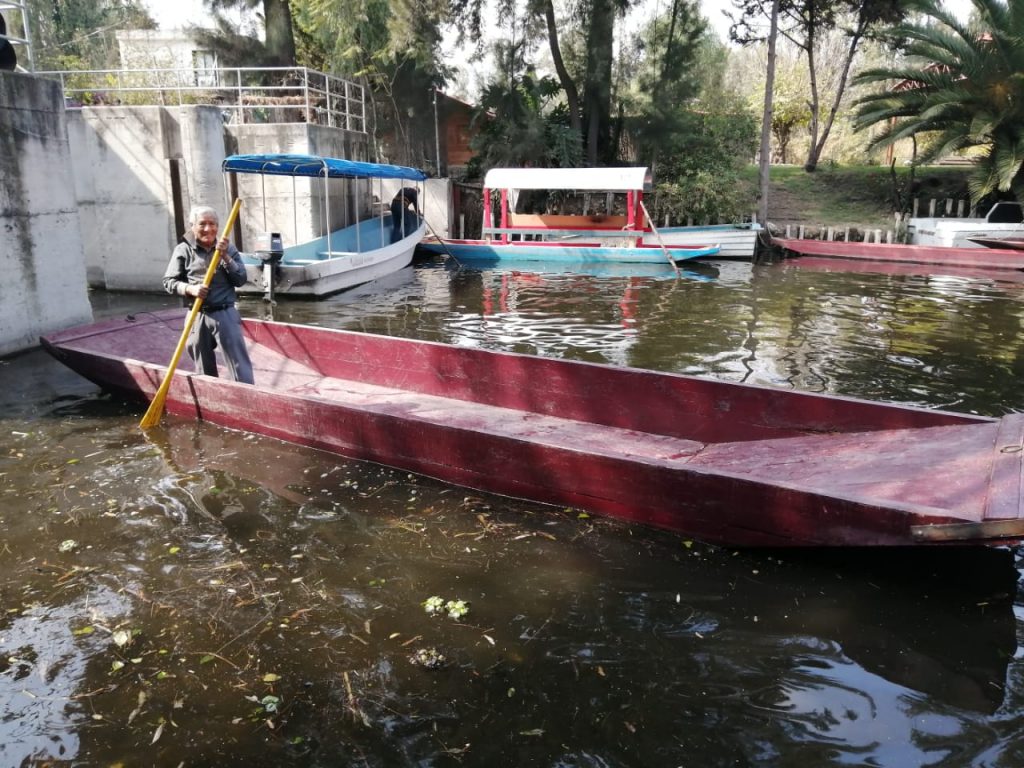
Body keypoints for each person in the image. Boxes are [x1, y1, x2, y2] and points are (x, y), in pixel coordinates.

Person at [162, 205, 255, 384]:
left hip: (224, 313)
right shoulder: (183, 250)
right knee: (202, 364)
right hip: (196, 313)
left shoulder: (229, 248)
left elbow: (241, 279)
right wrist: (190, 289)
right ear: (192, 226)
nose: (208, 229)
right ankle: (212, 399)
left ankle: (247, 397)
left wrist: (226, 257)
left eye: (212, 224)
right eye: (202, 224)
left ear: (218, 226)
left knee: (239, 364)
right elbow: (168, 282)